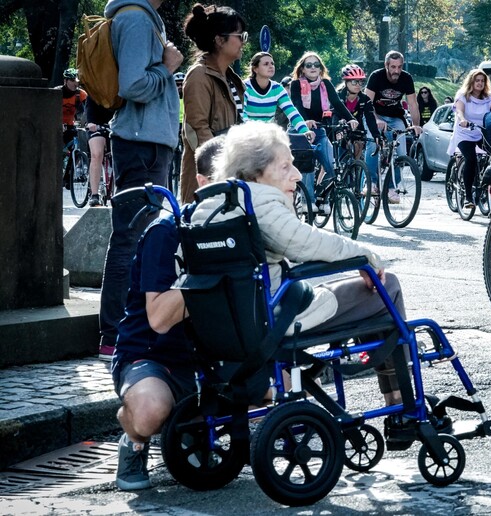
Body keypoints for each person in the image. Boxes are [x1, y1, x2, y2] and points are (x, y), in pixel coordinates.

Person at [194, 121, 414, 433]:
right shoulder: (261, 201)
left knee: (358, 291)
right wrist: (365, 256)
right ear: (255, 172)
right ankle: (402, 401)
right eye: (286, 167)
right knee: (385, 286)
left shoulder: (209, 204)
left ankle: (395, 393)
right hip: (277, 317)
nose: (297, 175)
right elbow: (305, 242)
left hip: (234, 322)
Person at [110, 137, 218, 491]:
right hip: (150, 354)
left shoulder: (246, 229)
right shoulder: (166, 231)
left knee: (268, 386)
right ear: (203, 180)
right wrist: (208, 269)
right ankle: (134, 441)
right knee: (149, 410)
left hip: (209, 356)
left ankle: (200, 426)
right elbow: (157, 319)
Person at [98, 0, 184, 360]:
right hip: (140, 143)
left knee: (141, 241)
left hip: (147, 141)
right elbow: (133, 85)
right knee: (131, 240)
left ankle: (128, 331)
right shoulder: (134, 19)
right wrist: (167, 69)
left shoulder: (144, 17)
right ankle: (114, 335)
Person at [178, 3, 247, 204]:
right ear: (219, 40)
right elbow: (198, 130)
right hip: (207, 179)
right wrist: (220, 169)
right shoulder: (199, 75)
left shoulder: (230, 77)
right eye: (239, 36)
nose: (243, 42)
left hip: (225, 173)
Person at [289, 52, 358, 199]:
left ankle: (322, 194)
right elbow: (297, 104)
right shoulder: (296, 84)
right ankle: (308, 201)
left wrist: (351, 119)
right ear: (302, 69)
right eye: (309, 65)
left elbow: (337, 103)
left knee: (332, 164)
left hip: (319, 129)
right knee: (307, 165)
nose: (313, 67)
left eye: (316, 65)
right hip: (299, 130)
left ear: (321, 69)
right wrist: (304, 122)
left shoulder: (325, 84)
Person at [446, 69, 491, 209]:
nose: (480, 83)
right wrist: (463, 120)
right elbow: (459, 111)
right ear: (471, 81)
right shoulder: (463, 95)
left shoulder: (488, 97)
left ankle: (489, 190)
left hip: (481, 133)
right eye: (477, 80)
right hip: (465, 133)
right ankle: (468, 197)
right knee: (471, 159)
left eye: (482, 81)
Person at [364, 51, 422, 202]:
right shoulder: (376, 76)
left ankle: (391, 187)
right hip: (375, 115)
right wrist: (376, 120)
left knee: (400, 152)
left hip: (396, 117)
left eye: (400, 67)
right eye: (393, 67)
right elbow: (367, 103)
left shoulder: (406, 78)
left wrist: (416, 125)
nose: (396, 71)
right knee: (373, 144)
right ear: (386, 65)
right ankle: (371, 183)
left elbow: (413, 104)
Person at [242, 52, 312, 141]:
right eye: (266, 64)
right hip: (246, 135)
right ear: (255, 69)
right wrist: (253, 132)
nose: (271, 66)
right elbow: (241, 114)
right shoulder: (244, 87)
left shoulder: (277, 88)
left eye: (272, 63)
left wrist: (305, 130)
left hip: (267, 136)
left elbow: (292, 112)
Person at [336, 64, 380, 160]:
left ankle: (355, 168)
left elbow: (370, 118)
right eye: (354, 82)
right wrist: (338, 130)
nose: (358, 85)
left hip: (356, 127)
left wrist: (376, 135)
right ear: (346, 82)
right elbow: (334, 115)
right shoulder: (338, 97)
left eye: (361, 82)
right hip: (338, 125)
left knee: (359, 144)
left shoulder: (364, 99)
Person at [84, 95, 114, 207]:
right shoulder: (94, 89)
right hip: (96, 124)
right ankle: (94, 194)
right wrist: (91, 122)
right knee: (97, 154)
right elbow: (89, 109)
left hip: (116, 125)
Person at [56, 68, 88, 146]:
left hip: (70, 125)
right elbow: (49, 111)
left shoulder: (80, 94)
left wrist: (87, 123)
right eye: (72, 80)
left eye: (76, 81)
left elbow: (89, 109)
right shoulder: (56, 92)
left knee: (76, 144)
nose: (75, 84)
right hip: (55, 124)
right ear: (65, 81)